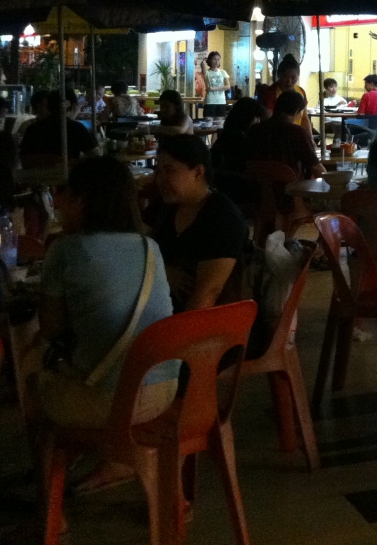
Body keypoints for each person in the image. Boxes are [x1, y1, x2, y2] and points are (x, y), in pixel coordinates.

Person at [26, 157, 178, 432]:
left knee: (31, 375)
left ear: (81, 201)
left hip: (108, 402)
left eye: (64, 193)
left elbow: (50, 328)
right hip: (164, 392)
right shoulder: (150, 247)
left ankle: (56, 457)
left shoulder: (64, 250)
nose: (58, 202)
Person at [146, 136, 250, 312]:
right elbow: (134, 249)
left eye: (169, 171)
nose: (160, 179)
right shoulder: (163, 207)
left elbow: (207, 294)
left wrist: (176, 330)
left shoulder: (223, 218)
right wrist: (163, 271)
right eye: (158, 171)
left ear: (198, 172)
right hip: (162, 310)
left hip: (210, 318)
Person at [245, 90, 324, 180]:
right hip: (290, 186)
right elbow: (315, 167)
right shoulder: (297, 132)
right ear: (297, 111)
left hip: (256, 185)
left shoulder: (255, 129)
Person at [19, 91, 98, 163]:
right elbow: (95, 155)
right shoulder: (76, 128)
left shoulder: (33, 129)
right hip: (68, 173)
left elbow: (24, 159)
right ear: (73, 107)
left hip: (36, 174)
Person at [210, 96, 266, 175]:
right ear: (248, 118)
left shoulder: (224, 138)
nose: (258, 121)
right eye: (256, 117)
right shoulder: (243, 142)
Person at [257, 54, 308, 124]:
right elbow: (268, 120)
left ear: (298, 76)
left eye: (293, 78)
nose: (289, 81)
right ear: (279, 75)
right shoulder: (270, 93)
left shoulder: (301, 92)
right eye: (285, 77)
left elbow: (305, 118)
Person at [201, 51, 230, 119]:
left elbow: (228, 86)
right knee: (208, 121)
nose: (216, 62)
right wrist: (204, 60)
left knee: (219, 122)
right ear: (210, 60)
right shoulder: (207, 73)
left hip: (221, 101)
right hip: (210, 101)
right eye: (214, 59)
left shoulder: (223, 72)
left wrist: (214, 88)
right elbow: (203, 65)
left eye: (218, 59)